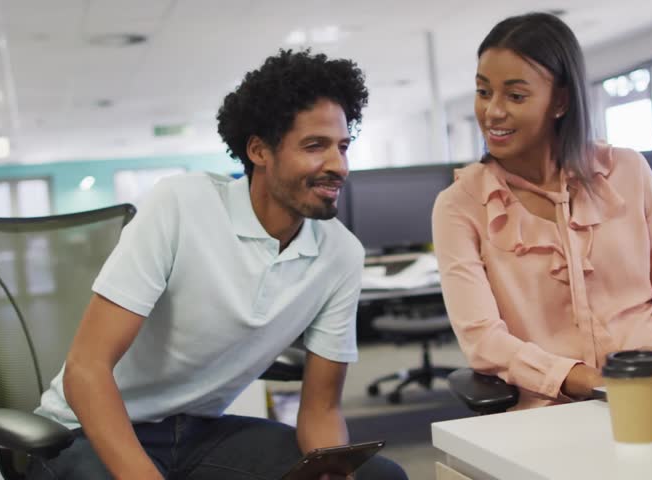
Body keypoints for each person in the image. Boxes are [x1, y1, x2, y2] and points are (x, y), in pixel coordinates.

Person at [28, 49, 407, 480]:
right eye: (315, 146)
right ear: (260, 150)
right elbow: (86, 370)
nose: (338, 165)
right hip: (85, 431)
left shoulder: (342, 255)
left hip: (198, 434)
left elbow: (321, 408)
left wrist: (333, 471)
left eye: (342, 146)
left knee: (381, 478)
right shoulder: (181, 205)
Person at [432, 13, 652, 410]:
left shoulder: (628, 171)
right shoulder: (460, 205)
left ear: (560, 101)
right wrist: (586, 381)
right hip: (552, 405)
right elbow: (484, 341)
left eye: (515, 95)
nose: (492, 111)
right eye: (483, 92)